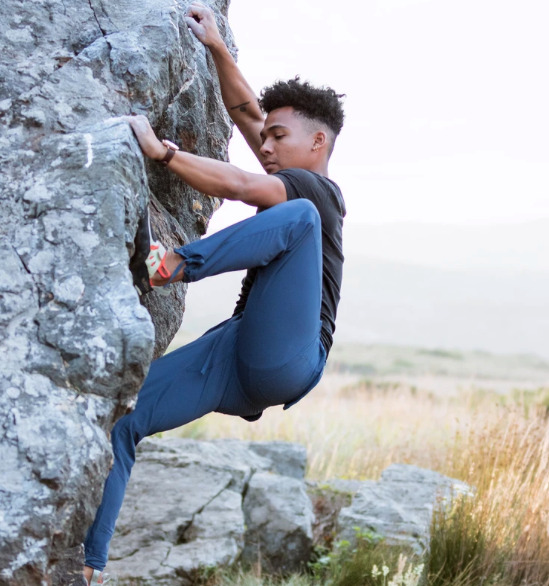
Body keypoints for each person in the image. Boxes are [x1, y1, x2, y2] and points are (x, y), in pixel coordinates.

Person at [83, 3, 345, 584]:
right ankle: (87, 566)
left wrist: (164, 152)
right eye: (266, 137)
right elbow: (249, 113)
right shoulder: (290, 164)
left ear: (319, 142)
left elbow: (241, 183)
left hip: (290, 357)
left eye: (280, 137)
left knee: (296, 216)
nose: (266, 143)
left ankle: (169, 265)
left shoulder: (317, 193)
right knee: (125, 420)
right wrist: (217, 49)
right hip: (240, 353)